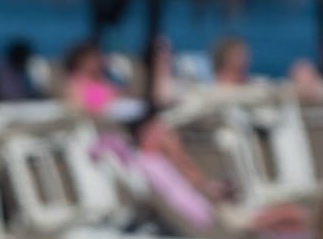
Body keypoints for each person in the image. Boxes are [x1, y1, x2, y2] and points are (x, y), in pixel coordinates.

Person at [62, 42, 226, 199]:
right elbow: (85, 107)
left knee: (163, 135)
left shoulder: (99, 82)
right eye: (95, 58)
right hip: (104, 136)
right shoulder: (77, 85)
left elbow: (119, 97)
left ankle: (200, 184)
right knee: (162, 136)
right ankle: (202, 185)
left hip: (122, 129)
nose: (100, 61)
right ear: (82, 61)